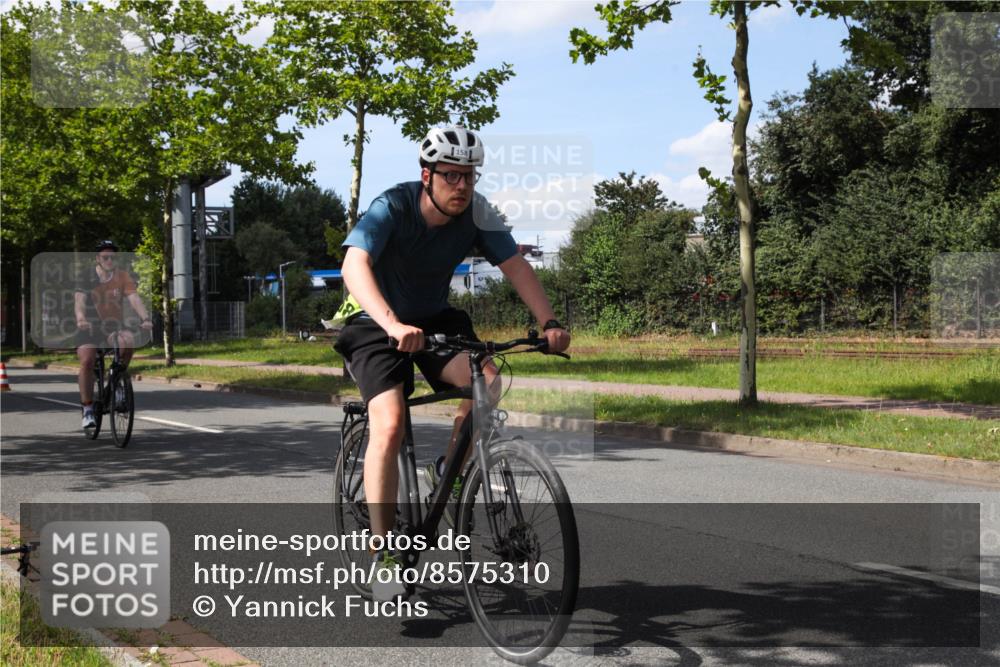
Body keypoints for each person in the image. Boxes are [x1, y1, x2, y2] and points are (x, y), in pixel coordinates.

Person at [335, 125, 570, 599]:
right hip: (374, 320)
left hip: (435, 321)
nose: (462, 186)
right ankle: (384, 554)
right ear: (427, 175)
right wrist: (392, 324)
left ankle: (450, 471)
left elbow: (516, 266)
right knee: (391, 420)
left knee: (487, 378)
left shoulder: (478, 215)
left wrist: (549, 322)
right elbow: (353, 264)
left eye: (469, 176)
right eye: (451, 176)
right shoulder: (392, 207)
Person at [75, 240, 153, 431]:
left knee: (128, 343)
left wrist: (145, 318)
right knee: (87, 360)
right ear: (97, 259)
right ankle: (87, 408)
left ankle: (117, 383)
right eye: (105, 257)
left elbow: (134, 298)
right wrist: (81, 318)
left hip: (112, 326)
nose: (109, 260)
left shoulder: (122, 276)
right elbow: (79, 300)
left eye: (112, 257)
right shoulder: (87, 277)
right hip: (89, 327)